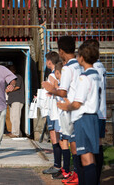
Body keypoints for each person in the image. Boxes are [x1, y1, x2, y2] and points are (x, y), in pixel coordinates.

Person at [57, 42, 100, 185]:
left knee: (85, 157)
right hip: (93, 117)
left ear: (81, 58)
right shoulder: (96, 74)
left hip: (83, 118)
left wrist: (64, 106)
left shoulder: (85, 77)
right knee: (91, 156)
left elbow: (77, 103)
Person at [42, 36, 83, 183]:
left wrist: (50, 89)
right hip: (81, 108)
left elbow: (63, 91)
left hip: (70, 109)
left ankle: (76, 174)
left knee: (72, 143)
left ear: (61, 51)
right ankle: (77, 173)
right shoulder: (80, 65)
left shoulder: (67, 68)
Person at [83, 39, 106, 184]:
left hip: (94, 113)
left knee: (92, 148)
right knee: (97, 145)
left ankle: (94, 178)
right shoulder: (101, 66)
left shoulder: (94, 68)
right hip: (100, 111)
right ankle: (95, 177)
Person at [41, 52, 63, 177]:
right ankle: (58, 165)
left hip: (54, 109)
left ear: (49, 61)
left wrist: (51, 91)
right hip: (57, 108)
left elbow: (55, 88)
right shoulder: (59, 72)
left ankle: (57, 166)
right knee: (57, 137)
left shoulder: (52, 74)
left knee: (55, 137)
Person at [6, 65, 25, 138]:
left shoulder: (17, 77)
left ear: (14, 71)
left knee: (16, 117)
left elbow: (17, 86)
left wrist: (8, 90)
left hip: (17, 99)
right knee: (12, 117)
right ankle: (17, 132)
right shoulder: (8, 79)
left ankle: (15, 133)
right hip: (11, 100)